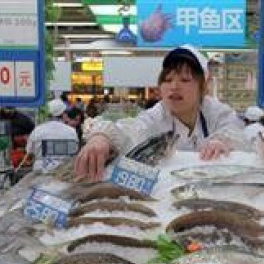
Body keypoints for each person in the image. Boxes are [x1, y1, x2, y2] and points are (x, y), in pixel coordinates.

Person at [74, 45, 245, 181]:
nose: (174, 86)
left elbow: (238, 130)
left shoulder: (215, 111)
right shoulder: (156, 116)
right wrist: (102, 137)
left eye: (185, 80)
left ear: (203, 87)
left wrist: (223, 141)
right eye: (168, 80)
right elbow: (130, 130)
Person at [24, 99, 78, 172]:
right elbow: (74, 153)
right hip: (63, 172)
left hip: (40, 171)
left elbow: (29, 151)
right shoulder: (71, 131)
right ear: (64, 115)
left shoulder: (37, 130)